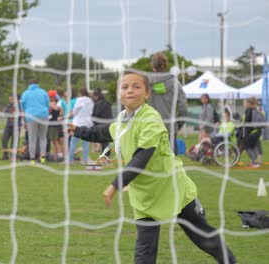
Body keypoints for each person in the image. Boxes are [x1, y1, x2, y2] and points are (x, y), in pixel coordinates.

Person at [68, 71, 237, 264]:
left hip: (172, 188)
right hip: (145, 196)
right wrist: (78, 130)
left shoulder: (151, 119)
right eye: (125, 87)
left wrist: (115, 185)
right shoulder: (122, 120)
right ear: (118, 94)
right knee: (144, 250)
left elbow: (141, 157)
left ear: (147, 94)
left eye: (136, 86)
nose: (130, 90)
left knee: (204, 238)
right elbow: (103, 131)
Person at [148, 53, 187, 153]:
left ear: (153, 66)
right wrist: (180, 123)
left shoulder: (146, 83)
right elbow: (183, 106)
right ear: (166, 66)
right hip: (170, 127)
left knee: (153, 161)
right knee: (172, 162)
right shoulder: (174, 83)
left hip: (151, 128)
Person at [20, 79, 49, 164]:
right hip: (43, 115)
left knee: (32, 138)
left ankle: (32, 159)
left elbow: (22, 109)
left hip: (31, 116)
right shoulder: (43, 92)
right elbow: (47, 105)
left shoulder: (25, 93)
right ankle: (43, 157)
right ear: (37, 84)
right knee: (43, 137)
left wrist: (24, 121)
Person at [68, 87, 94, 164]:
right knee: (86, 143)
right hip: (87, 123)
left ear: (80, 93)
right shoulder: (90, 101)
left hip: (78, 123)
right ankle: (84, 160)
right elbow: (91, 112)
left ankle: (70, 160)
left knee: (73, 143)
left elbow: (75, 111)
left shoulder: (79, 100)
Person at [243, 97, 264, 168]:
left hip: (252, 132)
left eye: (245, 102)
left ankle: (254, 161)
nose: (244, 104)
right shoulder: (256, 110)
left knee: (247, 147)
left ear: (249, 103)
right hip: (258, 131)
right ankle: (256, 162)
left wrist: (246, 133)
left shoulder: (248, 111)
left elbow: (247, 123)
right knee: (254, 146)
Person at [92, 87, 113, 160]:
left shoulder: (98, 104)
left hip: (101, 124)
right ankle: (107, 155)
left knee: (103, 141)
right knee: (106, 141)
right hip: (108, 123)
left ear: (96, 96)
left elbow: (95, 114)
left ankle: (106, 156)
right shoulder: (107, 103)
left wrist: (94, 123)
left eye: (94, 97)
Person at [1, 94, 22, 160]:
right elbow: (5, 113)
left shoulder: (20, 106)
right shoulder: (8, 105)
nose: (10, 101)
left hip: (16, 126)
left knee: (14, 142)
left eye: (11, 99)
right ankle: (5, 155)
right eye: (10, 99)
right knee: (4, 139)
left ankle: (13, 156)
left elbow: (20, 115)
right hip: (8, 125)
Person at [47, 90, 63, 161]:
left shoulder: (53, 103)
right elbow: (61, 111)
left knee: (54, 141)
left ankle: (56, 156)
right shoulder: (55, 103)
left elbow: (58, 109)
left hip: (53, 125)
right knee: (56, 141)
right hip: (54, 124)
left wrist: (52, 106)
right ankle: (58, 155)